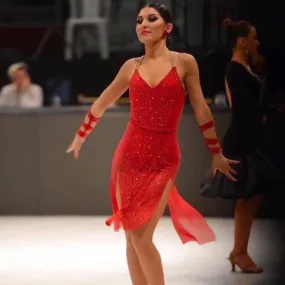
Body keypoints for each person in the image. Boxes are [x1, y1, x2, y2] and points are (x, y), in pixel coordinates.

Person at [67, 3, 237, 284]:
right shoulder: (130, 66)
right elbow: (103, 101)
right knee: (132, 236)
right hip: (129, 155)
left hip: (164, 158)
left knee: (142, 236)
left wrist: (216, 151)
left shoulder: (184, 62)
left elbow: (201, 109)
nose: (143, 24)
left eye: (151, 18)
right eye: (139, 20)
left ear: (167, 28)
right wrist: (81, 134)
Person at [222, 18, 265, 273]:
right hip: (242, 140)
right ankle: (239, 252)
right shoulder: (235, 69)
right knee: (246, 197)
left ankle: (239, 250)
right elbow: (243, 110)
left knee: (251, 197)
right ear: (242, 41)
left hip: (251, 137)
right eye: (253, 36)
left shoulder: (246, 68)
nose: (257, 41)